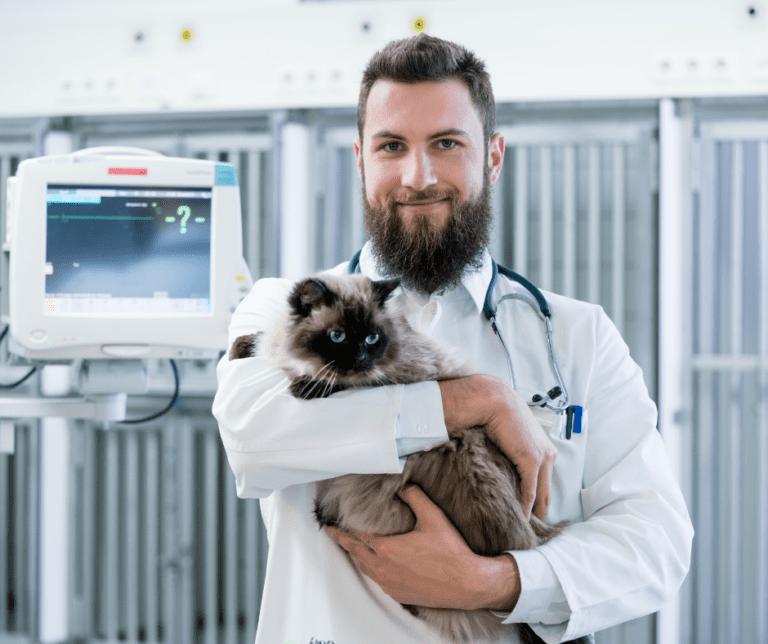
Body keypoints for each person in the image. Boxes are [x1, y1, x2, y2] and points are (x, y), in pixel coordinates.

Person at [213, 34, 693, 644]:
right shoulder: (280, 309)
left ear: (492, 156)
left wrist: (496, 582)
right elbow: (253, 441)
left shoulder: (577, 334)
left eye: (446, 143)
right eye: (392, 146)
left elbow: (655, 541)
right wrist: (478, 401)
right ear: (360, 158)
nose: (420, 176)